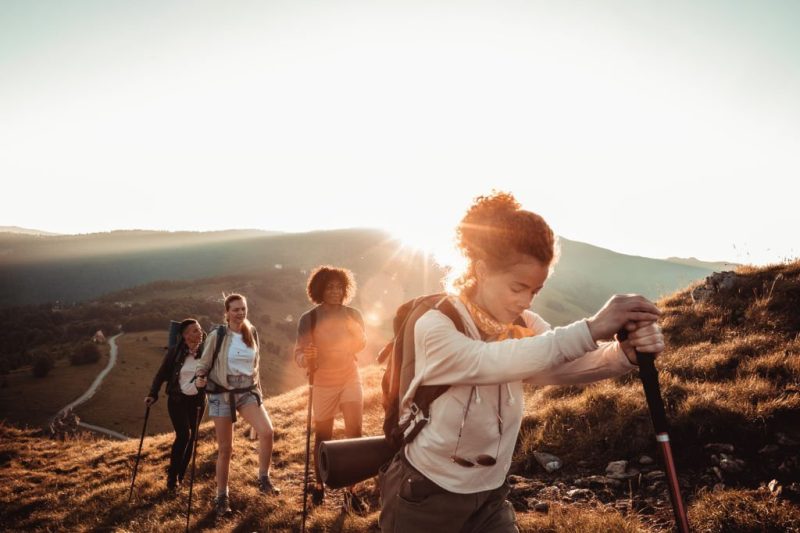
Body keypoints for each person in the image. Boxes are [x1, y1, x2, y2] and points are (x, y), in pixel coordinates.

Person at [378, 191, 665, 532]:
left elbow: (558, 364)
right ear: (482, 270)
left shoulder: (524, 324)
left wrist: (623, 356)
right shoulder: (436, 324)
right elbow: (488, 362)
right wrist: (592, 328)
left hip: (491, 494)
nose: (525, 301)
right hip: (425, 494)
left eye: (535, 291)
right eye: (517, 288)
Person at [195, 293, 280, 516]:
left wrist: (258, 391)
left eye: (243, 308)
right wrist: (200, 376)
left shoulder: (251, 332)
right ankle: (221, 497)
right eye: (235, 309)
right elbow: (204, 363)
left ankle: (264, 479)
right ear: (227, 312)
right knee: (226, 449)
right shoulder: (218, 334)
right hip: (221, 393)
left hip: (246, 392)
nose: (240, 313)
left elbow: (256, 365)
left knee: (267, 431)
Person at [294, 265, 368, 511]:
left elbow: (361, 343)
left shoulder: (352, 314)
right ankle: (319, 484)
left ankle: (351, 491)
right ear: (319, 290)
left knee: (354, 432)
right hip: (323, 381)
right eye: (330, 287)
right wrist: (308, 357)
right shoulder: (310, 318)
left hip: (349, 375)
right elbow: (299, 354)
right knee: (323, 436)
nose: (336, 291)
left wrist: (355, 337)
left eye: (339, 287)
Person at [145, 318, 207, 491]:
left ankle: (180, 476)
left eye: (200, 329)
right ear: (185, 335)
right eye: (195, 330)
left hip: (198, 401)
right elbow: (161, 374)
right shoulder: (174, 352)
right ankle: (172, 478)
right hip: (177, 400)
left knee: (192, 437)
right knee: (184, 435)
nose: (199, 332)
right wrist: (152, 394)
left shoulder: (207, 351)